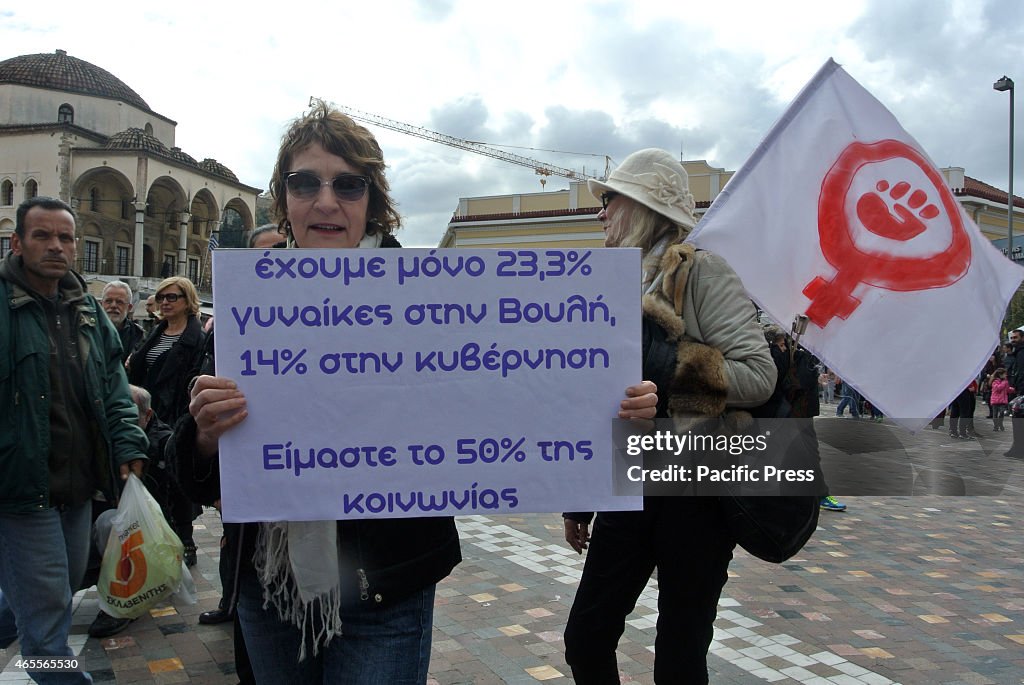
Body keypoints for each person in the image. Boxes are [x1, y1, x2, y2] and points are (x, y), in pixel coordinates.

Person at [560, 149, 776, 684]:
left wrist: (667, 375)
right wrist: (579, 498)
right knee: (585, 635)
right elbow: (598, 399)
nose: (600, 213)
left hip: (695, 489)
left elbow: (758, 374)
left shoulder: (701, 269)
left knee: (680, 651)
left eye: (608, 200)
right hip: (629, 483)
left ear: (642, 204)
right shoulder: (609, 283)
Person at [0, 196, 147, 684]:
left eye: (65, 237)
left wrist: (127, 443)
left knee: (52, 589)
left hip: (78, 484)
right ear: (17, 242)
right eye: (42, 235)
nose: (56, 246)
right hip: (23, 488)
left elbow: (114, 387)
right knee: (47, 623)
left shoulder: (86, 309)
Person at [86, 385, 175, 639]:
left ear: (147, 415)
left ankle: (121, 605)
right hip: (89, 535)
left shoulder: (162, 443)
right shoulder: (100, 443)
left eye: (131, 415)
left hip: (146, 536)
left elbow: (174, 502)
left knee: (110, 522)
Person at [101, 280, 145, 364]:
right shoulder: (89, 330)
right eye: (108, 301)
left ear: (129, 307)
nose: (113, 305)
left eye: (119, 302)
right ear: (101, 304)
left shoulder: (138, 335)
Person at [989, 367, 1013, 432]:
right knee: (995, 414)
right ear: (1000, 375)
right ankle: (996, 426)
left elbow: (1007, 389)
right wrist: (1004, 382)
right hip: (995, 401)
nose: (1006, 375)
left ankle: (1000, 423)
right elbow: (998, 388)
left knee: (1002, 412)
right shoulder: (995, 381)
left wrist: (1012, 390)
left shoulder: (1005, 382)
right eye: (1005, 374)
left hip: (1003, 400)